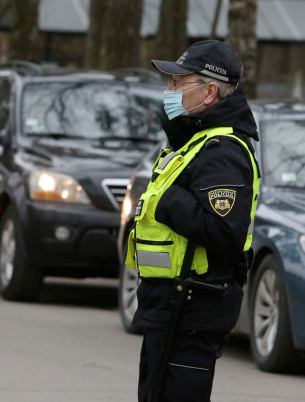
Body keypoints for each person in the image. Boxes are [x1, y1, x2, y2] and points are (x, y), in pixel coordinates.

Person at [126, 40, 260, 402]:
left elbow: (224, 231)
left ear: (210, 91)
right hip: (169, 305)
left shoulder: (223, 152)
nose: (168, 91)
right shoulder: (195, 142)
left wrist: (169, 200)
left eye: (178, 84)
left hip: (193, 306)